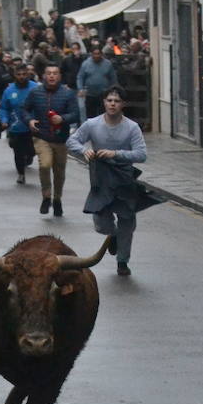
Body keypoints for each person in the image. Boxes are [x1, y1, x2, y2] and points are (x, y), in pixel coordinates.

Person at [66, 85, 147, 276]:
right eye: (109, 100)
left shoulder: (131, 127)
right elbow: (72, 141)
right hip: (100, 180)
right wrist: (83, 150)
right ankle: (112, 235)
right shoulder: (92, 124)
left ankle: (122, 262)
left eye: (117, 101)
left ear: (123, 104)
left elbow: (142, 154)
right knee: (101, 222)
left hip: (124, 180)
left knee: (127, 222)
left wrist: (116, 153)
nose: (112, 104)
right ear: (104, 102)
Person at [25, 64, 80, 218]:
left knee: (59, 172)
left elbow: (76, 114)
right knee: (45, 164)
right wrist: (29, 120)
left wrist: (62, 119)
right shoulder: (35, 92)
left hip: (61, 138)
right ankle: (46, 195)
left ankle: (57, 200)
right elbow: (25, 109)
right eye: (48, 73)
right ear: (43, 75)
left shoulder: (68, 94)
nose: (51, 76)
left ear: (59, 76)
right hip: (41, 136)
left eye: (55, 73)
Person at [0, 63, 40, 185]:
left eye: (24, 74)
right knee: (18, 152)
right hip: (15, 126)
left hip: (32, 126)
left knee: (31, 150)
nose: (21, 77)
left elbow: (42, 105)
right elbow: (4, 108)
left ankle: (30, 155)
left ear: (28, 74)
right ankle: (21, 173)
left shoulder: (35, 88)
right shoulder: (9, 90)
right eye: (19, 74)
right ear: (14, 75)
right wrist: (4, 120)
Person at [76, 45, 118, 119]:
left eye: (98, 53)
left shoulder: (108, 64)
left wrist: (113, 91)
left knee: (104, 115)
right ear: (91, 54)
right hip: (90, 94)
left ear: (101, 54)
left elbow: (113, 78)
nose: (96, 56)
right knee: (90, 116)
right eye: (94, 54)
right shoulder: (86, 64)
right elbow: (80, 77)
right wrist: (80, 88)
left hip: (104, 94)